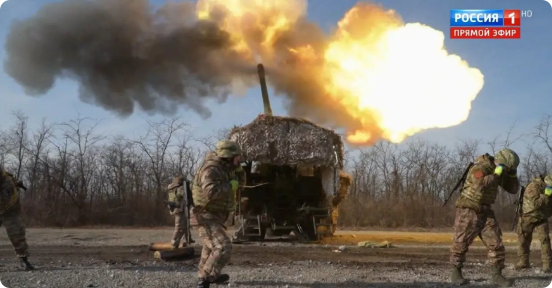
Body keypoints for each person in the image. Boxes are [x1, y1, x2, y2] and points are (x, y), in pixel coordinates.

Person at [450, 148, 520, 287]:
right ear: (500, 162)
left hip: (486, 211)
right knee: (461, 242)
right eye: (507, 167)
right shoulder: (480, 167)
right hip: (469, 208)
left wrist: (512, 175)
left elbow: (513, 190)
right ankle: (455, 272)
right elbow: (479, 184)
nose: (507, 170)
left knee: (496, 242)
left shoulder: (500, 171)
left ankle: (496, 275)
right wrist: (495, 174)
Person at [191, 140, 242, 288]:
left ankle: (205, 275)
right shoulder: (211, 169)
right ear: (228, 156)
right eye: (237, 157)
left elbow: (241, 185)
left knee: (210, 247)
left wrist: (239, 172)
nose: (239, 160)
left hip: (215, 217)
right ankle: (206, 278)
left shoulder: (227, 169)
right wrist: (229, 186)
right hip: (204, 216)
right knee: (223, 246)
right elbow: (211, 193)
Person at [514, 173, 552, 272]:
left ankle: (547, 265)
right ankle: (523, 262)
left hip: (541, 217)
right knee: (523, 240)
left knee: (545, 241)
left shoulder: (548, 187)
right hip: (528, 216)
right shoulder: (534, 186)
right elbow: (535, 204)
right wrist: (546, 196)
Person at [0, 166, 34, 270]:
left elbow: (7, 199)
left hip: (10, 210)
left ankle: (24, 260)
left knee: (17, 235)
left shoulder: (6, 181)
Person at [167, 175, 194, 249]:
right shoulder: (180, 188)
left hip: (176, 208)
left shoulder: (172, 188)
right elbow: (186, 195)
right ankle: (174, 242)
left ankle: (184, 240)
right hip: (179, 209)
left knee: (184, 225)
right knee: (179, 227)